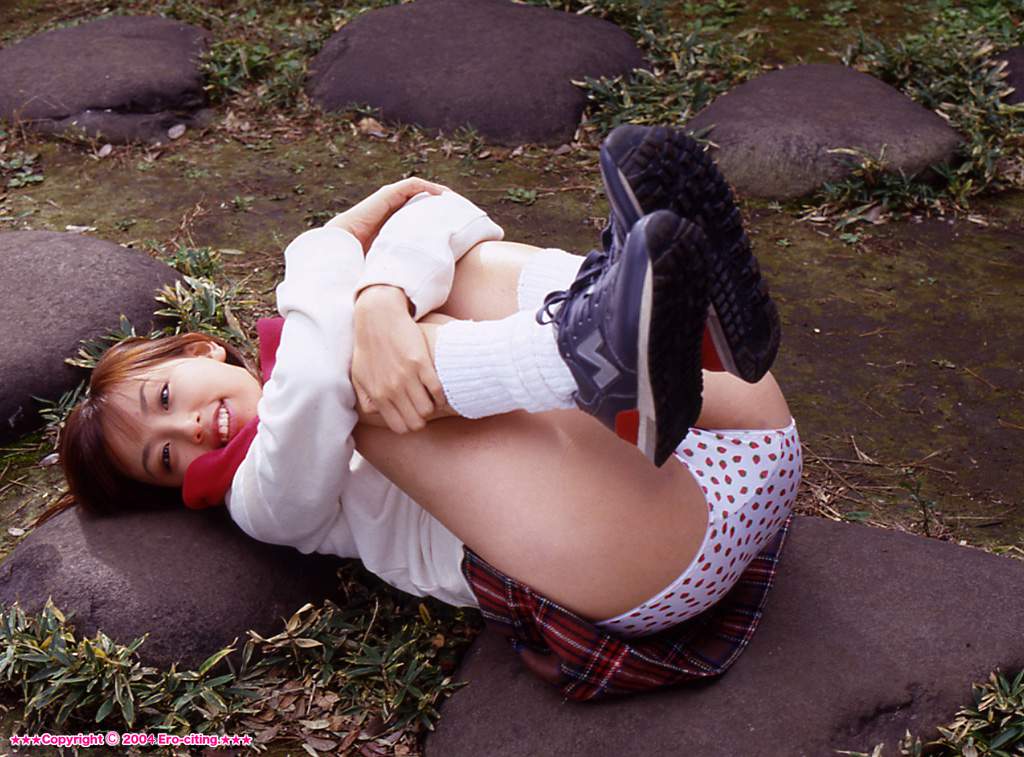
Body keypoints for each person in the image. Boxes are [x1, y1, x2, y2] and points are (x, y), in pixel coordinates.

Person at [54, 125, 801, 700]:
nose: (186, 429)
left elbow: (441, 208)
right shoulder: (259, 500)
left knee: (427, 282)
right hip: (655, 550)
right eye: (165, 458)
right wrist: (331, 243)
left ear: (200, 349)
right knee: (360, 384)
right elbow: (314, 385)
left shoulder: (325, 318)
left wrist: (384, 295)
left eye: (164, 398)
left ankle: (672, 329)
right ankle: (586, 345)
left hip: (737, 422)